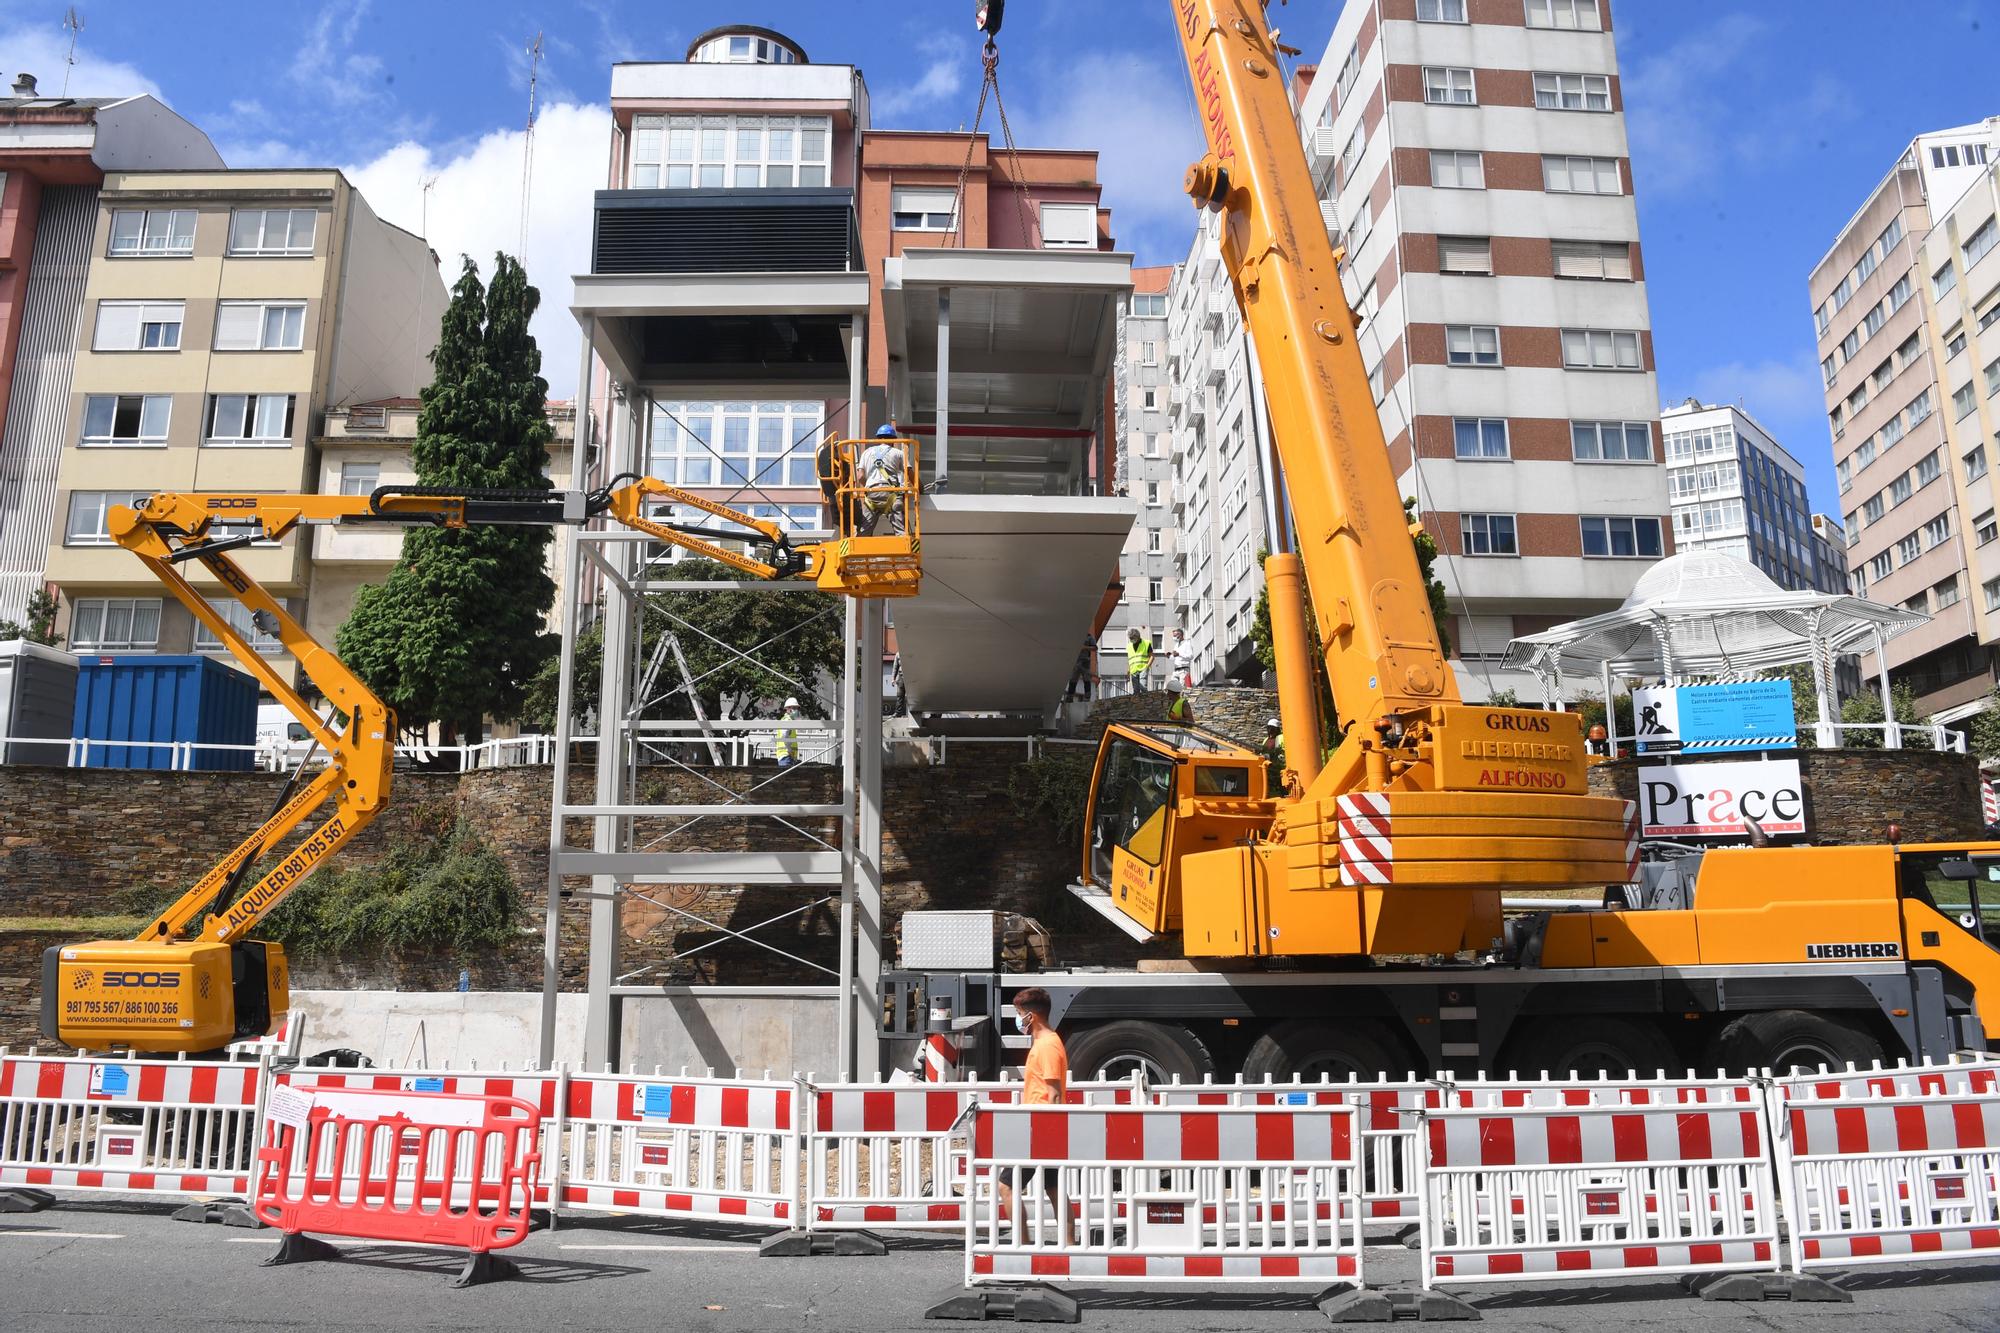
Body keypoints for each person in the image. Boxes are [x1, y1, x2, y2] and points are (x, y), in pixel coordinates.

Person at [995, 986, 1076, 1245]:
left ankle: (1023, 1245)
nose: (1018, 1019)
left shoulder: (1048, 1046)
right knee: (1053, 1188)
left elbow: (1054, 1094)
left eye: (1020, 1013)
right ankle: (1069, 1245)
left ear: (1032, 1015)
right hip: (1042, 1125)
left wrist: (1047, 1135)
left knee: (1007, 1186)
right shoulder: (1046, 1043)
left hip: (1039, 1127)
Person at [856, 424, 907, 536]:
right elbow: (910, 473)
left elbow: (860, 476)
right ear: (893, 440)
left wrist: (868, 488)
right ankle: (903, 539)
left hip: (872, 494)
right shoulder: (898, 453)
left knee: (863, 533)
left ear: (878, 438)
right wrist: (919, 488)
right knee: (901, 533)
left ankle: (861, 541)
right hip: (891, 494)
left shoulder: (867, 452)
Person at [1066, 636, 1097, 702]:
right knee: (1073, 680)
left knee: (1086, 680)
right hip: (1076, 662)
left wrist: (1084, 647)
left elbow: (1095, 648)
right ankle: (1070, 697)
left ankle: (1087, 697)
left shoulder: (1089, 638)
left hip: (1085, 663)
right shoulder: (1075, 636)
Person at [775, 696, 801, 767]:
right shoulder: (787, 720)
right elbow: (784, 735)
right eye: (794, 708)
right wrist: (789, 750)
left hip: (787, 756)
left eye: (797, 708)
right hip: (786, 755)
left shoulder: (789, 720)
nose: (796, 710)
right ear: (788, 709)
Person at [1125, 628, 1152, 694]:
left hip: (1143, 669)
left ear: (1137, 637)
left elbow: (1152, 656)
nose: (1131, 639)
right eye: (1130, 638)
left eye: (1132, 638)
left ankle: (1146, 700)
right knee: (1136, 690)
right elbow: (1130, 660)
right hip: (1133, 670)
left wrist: (1147, 667)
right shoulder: (1129, 646)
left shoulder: (1146, 643)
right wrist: (1128, 672)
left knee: (1143, 688)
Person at [1262, 717, 1285, 789]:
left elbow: (1283, 752)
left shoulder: (1282, 737)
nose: (1270, 729)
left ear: (1277, 729)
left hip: (1278, 767)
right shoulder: (1266, 740)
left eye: (1272, 727)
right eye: (1268, 727)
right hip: (1267, 767)